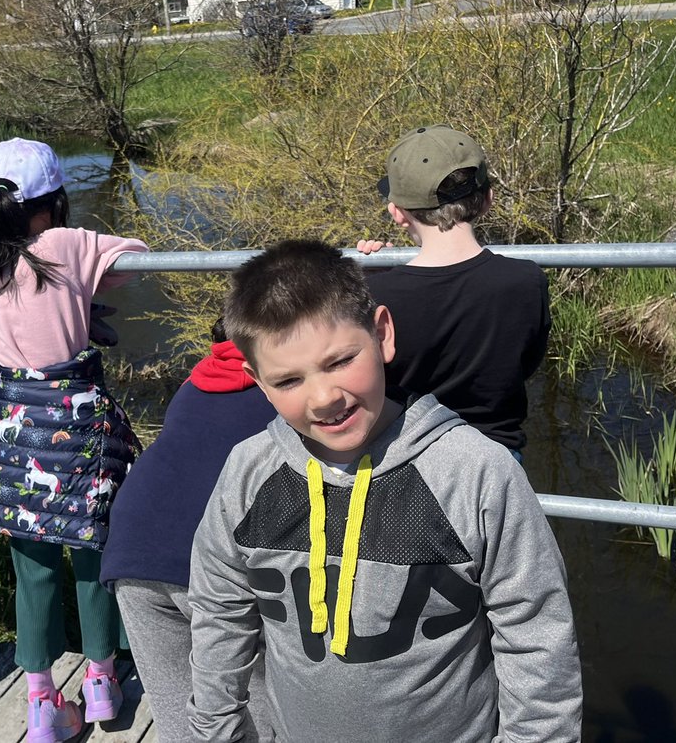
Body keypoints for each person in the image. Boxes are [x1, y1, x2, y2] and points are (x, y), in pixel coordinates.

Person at [187, 240, 581, 742]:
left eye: (340, 361)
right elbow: (220, 609)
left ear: (382, 333)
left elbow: (536, 635)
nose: (325, 397)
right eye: (287, 381)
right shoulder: (247, 472)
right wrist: (214, 728)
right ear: (256, 382)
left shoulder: (476, 471)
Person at [0, 137, 146, 743]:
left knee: (32, 568)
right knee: (94, 555)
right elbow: (132, 258)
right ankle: (101, 681)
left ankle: (41, 702)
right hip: (73, 425)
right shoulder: (64, 245)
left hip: (12, 422)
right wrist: (82, 298)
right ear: (55, 200)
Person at [100, 317, 278, 743]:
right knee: (260, 711)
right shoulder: (287, 391)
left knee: (179, 715)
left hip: (134, 547)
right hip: (213, 563)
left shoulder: (194, 383)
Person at [359, 124, 550, 457]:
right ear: (488, 199)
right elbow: (527, 363)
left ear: (398, 214)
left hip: (410, 462)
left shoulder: (375, 293)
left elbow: (366, 383)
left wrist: (371, 278)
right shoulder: (527, 280)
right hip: (497, 459)